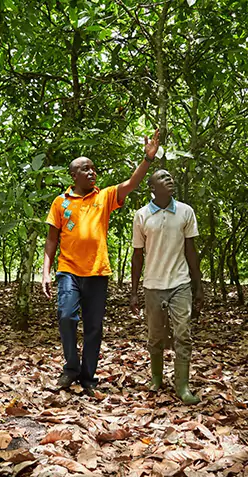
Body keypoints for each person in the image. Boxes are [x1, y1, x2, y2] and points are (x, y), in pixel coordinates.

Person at [42, 130, 160, 395]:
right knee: (66, 316)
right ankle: (70, 367)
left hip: (97, 271)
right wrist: (45, 272)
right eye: (85, 169)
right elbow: (51, 240)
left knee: (94, 326)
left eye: (93, 169)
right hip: (68, 270)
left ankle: (87, 375)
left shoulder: (104, 197)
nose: (91, 173)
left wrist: (148, 159)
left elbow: (131, 184)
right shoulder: (60, 203)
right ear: (74, 176)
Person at [130, 169, 203, 404]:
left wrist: (198, 286)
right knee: (155, 336)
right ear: (152, 188)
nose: (169, 180)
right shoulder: (141, 216)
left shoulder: (185, 211)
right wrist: (133, 292)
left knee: (183, 334)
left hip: (180, 283)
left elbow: (191, 251)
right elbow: (137, 256)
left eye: (170, 177)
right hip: (152, 284)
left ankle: (182, 387)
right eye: (162, 178)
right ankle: (156, 378)